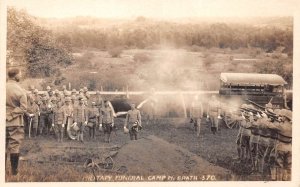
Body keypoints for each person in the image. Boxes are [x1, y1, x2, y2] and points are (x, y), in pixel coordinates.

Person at [6, 68, 27, 175]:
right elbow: (23, 108)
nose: (21, 76)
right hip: (14, 123)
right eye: (20, 74)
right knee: (14, 146)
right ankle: (14, 172)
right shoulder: (20, 91)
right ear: (16, 76)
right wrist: (10, 116)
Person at [264, 109, 292, 181]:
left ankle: (279, 182)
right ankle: (286, 180)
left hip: (281, 146)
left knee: (279, 165)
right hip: (289, 147)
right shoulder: (292, 126)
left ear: (285, 118)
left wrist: (267, 119)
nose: (280, 117)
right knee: (287, 166)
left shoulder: (281, 126)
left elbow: (269, 125)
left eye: (282, 116)